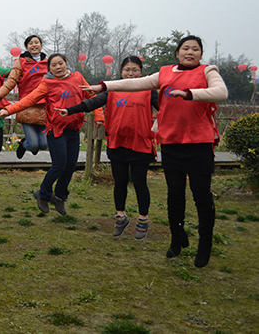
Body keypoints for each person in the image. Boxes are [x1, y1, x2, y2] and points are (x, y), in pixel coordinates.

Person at [82, 36, 228, 267]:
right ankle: (177, 238)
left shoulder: (208, 71)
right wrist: (104, 86)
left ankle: (205, 245)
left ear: (201, 54)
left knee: (201, 196)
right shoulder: (165, 73)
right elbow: (135, 84)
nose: (190, 52)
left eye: (195, 49)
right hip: (171, 143)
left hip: (199, 143)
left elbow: (221, 92)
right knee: (174, 195)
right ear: (178, 53)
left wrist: (190, 94)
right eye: (185, 48)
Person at [55, 56, 158, 239]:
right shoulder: (113, 89)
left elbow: (167, 107)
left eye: (135, 70)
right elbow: (92, 103)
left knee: (140, 183)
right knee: (119, 182)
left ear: (141, 72)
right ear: (121, 72)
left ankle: (143, 219)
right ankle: (120, 217)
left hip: (140, 145)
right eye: (127, 70)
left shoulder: (149, 91)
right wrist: (70, 110)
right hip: (117, 144)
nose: (131, 73)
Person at [0, 53, 104, 216]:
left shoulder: (78, 77)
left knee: (70, 166)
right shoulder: (47, 83)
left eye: (60, 63)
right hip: (56, 130)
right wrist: (8, 110)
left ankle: (59, 196)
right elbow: (29, 99)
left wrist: (99, 116)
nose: (58, 67)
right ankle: (43, 193)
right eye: (53, 65)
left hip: (74, 129)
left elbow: (93, 96)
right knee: (59, 165)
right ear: (49, 69)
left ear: (66, 63)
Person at [0, 35, 49, 157]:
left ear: (41, 46)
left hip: (45, 107)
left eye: (36, 42)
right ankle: (24, 144)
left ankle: (26, 143)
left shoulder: (49, 62)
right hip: (27, 106)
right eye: (30, 43)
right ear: (26, 47)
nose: (34, 45)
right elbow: (11, 81)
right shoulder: (21, 63)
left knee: (44, 144)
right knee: (33, 145)